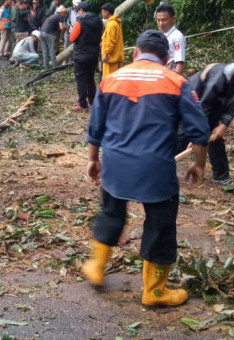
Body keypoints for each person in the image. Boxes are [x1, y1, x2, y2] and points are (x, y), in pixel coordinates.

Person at [82, 30, 210, 307]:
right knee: (160, 224)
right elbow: (199, 132)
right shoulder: (177, 81)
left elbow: (95, 127)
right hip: (155, 167)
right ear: (166, 58)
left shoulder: (111, 79)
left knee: (111, 212)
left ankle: (95, 266)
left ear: (135, 53)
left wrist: (93, 159)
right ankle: (154, 291)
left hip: (115, 163)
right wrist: (199, 165)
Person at [179, 53, 234, 185]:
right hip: (194, 99)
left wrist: (224, 124)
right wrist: (196, 134)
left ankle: (222, 177)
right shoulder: (218, 77)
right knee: (183, 135)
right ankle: (162, 165)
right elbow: (203, 106)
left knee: (215, 138)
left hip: (216, 103)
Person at [70, 1, 102, 110]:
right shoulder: (98, 20)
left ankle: (82, 103)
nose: (78, 12)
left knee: (81, 79)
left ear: (82, 10)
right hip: (93, 54)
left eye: (78, 10)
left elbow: (72, 38)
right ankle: (92, 101)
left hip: (81, 55)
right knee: (90, 78)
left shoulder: (80, 22)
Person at [155, 4, 186, 74]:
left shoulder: (177, 37)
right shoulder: (160, 36)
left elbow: (180, 63)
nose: (161, 23)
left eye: (164, 20)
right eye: (158, 20)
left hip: (170, 77)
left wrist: (174, 82)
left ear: (173, 19)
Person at [100, 3, 124, 77]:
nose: (102, 13)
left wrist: (106, 54)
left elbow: (111, 41)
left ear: (107, 12)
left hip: (110, 58)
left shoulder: (112, 24)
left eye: (102, 11)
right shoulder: (113, 22)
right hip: (112, 57)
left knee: (109, 80)